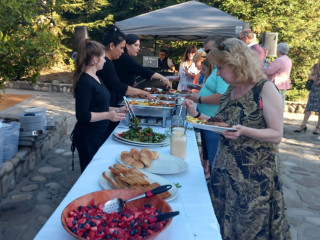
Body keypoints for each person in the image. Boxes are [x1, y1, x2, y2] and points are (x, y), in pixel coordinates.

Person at [184, 38, 291, 239]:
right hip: (224, 173)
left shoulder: (264, 89)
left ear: (237, 64)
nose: (217, 73)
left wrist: (244, 131)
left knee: (248, 229)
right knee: (221, 225)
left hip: (253, 179)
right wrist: (198, 115)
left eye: (221, 68)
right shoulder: (230, 92)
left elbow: (276, 134)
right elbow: (222, 125)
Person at [71, 39, 127, 172]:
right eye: (103, 57)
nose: (105, 60)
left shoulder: (97, 78)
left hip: (98, 133)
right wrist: (109, 115)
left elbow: (98, 107)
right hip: (87, 137)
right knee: (91, 173)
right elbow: (82, 115)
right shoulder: (85, 82)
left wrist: (118, 110)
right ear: (95, 60)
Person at [97, 26, 152, 135]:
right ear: (112, 45)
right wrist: (141, 92)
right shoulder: (106, 63)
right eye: (122, 48)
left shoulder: (109, 62)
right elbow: (117, 85)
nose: (123, 51)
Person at [187, 35, 229, 175]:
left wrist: (199, 99)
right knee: (207, 155)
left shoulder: (223, 69)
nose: (207, 55)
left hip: (213, 120)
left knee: (214, 159)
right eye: (206, 52)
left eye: (209, 51)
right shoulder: (217, 68)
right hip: (206, 119)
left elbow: (221, 96)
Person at [294, 56, 320, 134]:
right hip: (314, 89)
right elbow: (309, 76)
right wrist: (312, 78)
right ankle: (303, 126)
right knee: (308, 108)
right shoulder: (316, 66)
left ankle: (317, 128)